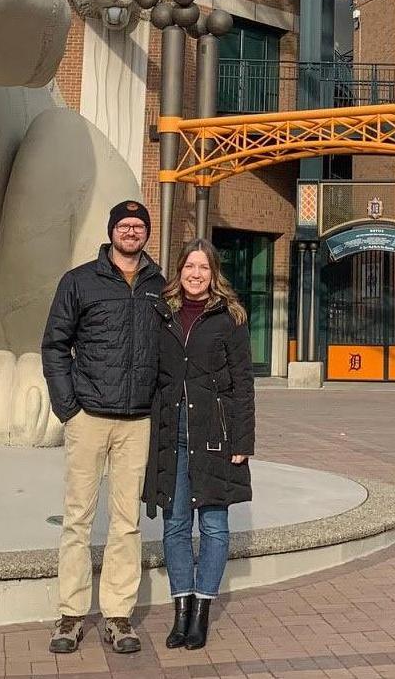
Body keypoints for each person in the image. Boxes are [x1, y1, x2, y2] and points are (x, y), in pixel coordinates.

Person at [41, 199, 164, 656]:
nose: (131, 232)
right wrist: (68, 407)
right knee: (77, 519)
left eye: (138, 226)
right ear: (112, 231)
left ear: (145, 234)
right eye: (124, 225)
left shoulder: (158, 285)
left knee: (127, 523)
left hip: (137, 422)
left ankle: (117, 615)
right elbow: (55, 345)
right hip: (89, 417)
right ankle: (70, 615)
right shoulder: (79, 282)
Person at [144, 238, 256, 652]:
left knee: (213, 526)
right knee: (174, 525)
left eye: (203, 268)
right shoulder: (162, 313)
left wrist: (243, 439)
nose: (195, 274)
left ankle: (202, 613)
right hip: (171, 432)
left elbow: (243, 383)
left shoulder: (230, 318)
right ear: (179, 271)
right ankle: (181, 610)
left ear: (214, 274)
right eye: (189, 267)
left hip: (214, 434)